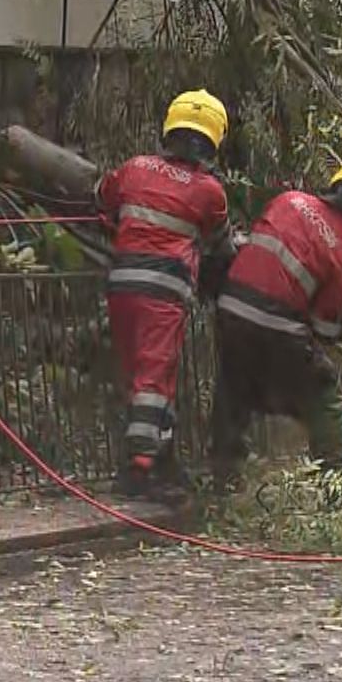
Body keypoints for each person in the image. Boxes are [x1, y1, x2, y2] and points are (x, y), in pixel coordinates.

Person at [208, 156, 342, 491]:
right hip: (279, 325)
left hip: (231, 308)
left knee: (234, 382)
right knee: (324, 388)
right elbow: (324, 328)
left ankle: (223, 475)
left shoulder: (289, 200)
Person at [96, 90, 235, 498]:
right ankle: (140, 470)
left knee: (141, 377)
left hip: (122, 285)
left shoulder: (134, 167)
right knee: (154, 380)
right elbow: (222, 247)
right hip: (165, 293)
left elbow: (103, 200)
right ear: (212, 141)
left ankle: (164, 459)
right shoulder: (210, 191)